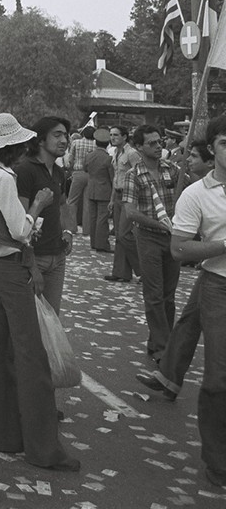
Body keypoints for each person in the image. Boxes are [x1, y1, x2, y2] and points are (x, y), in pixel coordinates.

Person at [0, 112, 79, 473]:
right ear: (14, 147)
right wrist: (38, 204)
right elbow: (21, 230)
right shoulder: (2, 178)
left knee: (0, 350)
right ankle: (43, 448)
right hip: (12, 267)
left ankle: (1, 433)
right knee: (31, 357)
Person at [164, 117, 226, 489]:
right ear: (212, 149)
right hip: (219, 286)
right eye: (224, 142)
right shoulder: (196, 194)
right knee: (220, 376)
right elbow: (179, 248)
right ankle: (217, 459)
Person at [136, 139, 214, 401]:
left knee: (181, 314)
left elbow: (181, 248)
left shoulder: (185, 179)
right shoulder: (198, 192)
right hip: (210, 271)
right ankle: (168, 374)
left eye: (194, 156)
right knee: (185, 321)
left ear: (210, 160)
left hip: (215, 272)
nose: (188, 160)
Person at [124, 124, 181, 365]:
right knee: (154, 294)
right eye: (152, 143)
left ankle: (158, 340)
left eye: (161, 142)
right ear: (139, 147)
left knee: (169, 296)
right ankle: (162, 347)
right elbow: (130, 212)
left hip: (173, 238)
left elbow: (187, 195)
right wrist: (160, 225)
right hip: (148, 237)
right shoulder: (133, 175)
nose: (159, 147)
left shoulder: (174, 170)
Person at [14, 116, 74, 314]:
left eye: (65, 135)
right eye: (57, 135)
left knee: (51, 317)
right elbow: (20, 219)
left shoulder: (58, 172)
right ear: (40, 140)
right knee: (30, 319)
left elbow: (64, 203)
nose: (64, 140)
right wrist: (31, 264)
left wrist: (68, 231)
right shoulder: (24, 170)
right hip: (33, 256)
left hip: (57, 255)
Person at [106, 124, 141, 282]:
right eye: (111, 135)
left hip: (129, 197)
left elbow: (140, 175)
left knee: (124, 234)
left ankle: (144, 270)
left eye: (116, 135)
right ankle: (120, 272)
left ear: (125, 137)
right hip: (118, 195)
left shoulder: (132, 153)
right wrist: (112, 199)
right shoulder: (115, 152)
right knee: (119, 236)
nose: (112, 137)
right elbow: (116, 178)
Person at [84, 128, 115, 252]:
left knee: (93, 218)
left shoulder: (89, 155)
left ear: (96, 142)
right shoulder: (108, 158)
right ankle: (102, 245)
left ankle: (93, 243)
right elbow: (112, 177)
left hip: (91, 189)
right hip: (104, 191)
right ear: (108, 144)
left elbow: (85, 169)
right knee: (102, 219)